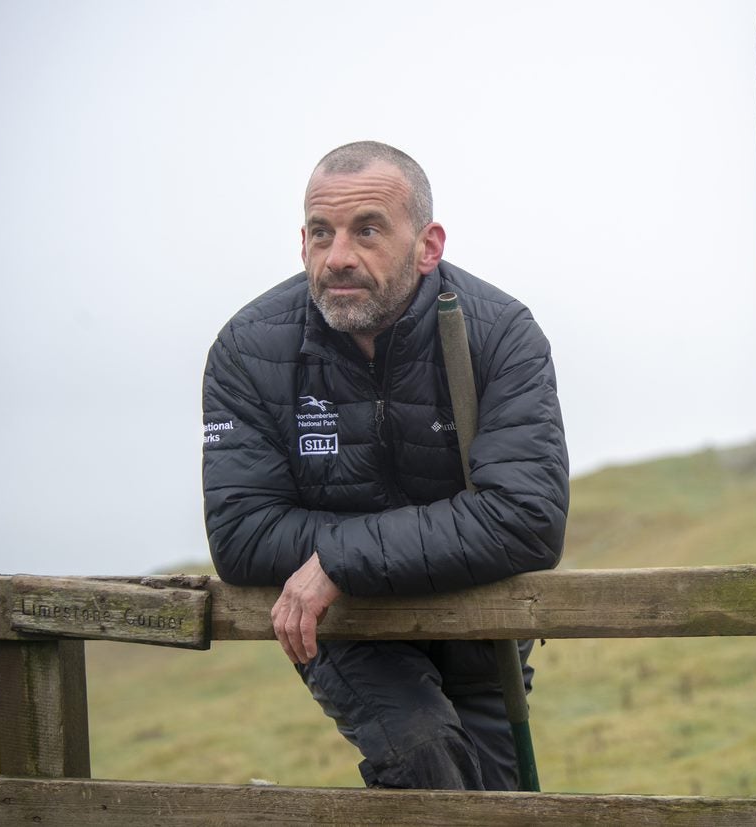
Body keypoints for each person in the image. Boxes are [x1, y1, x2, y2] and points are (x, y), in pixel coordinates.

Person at [201, 141, 569, 790]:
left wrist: (339, 558)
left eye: (367, 229)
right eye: (321, 232)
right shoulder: (249, 347)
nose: (337, 256)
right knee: (425, 757)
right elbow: (242, 532)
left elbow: (527, 517)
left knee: (502, 799)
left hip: (481, 624)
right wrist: (348, 566)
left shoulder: (501, 333)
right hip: (349, 628)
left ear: (428, 246)